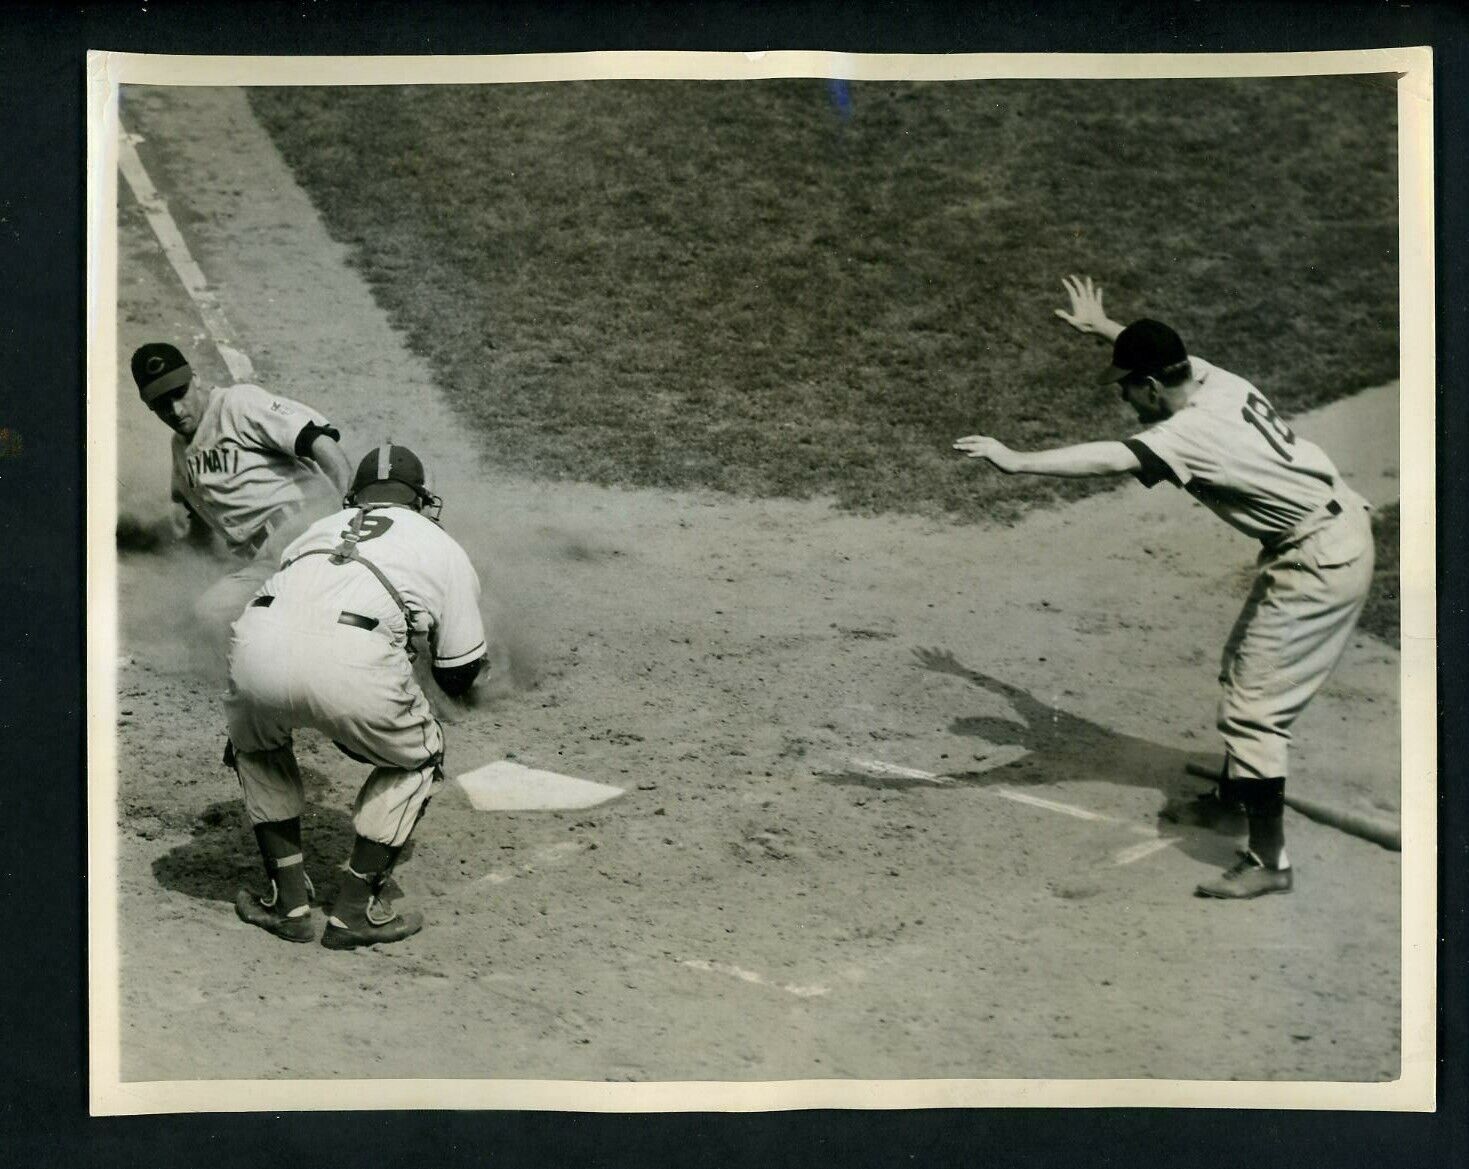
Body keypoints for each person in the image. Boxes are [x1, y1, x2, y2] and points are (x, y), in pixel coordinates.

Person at [954, 275, 1375, 900]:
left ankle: (1269, 863)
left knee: (1253, 708)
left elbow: (1109, 458)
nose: (1126, 400)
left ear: (1152, 387)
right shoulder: (1212, 380)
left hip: (1319, 559)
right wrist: (1104, 329)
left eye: (1128, 389)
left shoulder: (1187, 435)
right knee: (1241, 672)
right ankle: (1236, 800)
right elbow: (1159, 352)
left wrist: (1016, 459)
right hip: (1328, 529)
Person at [223, 444, 488, 948]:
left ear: (356, 497)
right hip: (353, 663)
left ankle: (289, 904)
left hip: (255, 643)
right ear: (418, 500)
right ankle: (353, 913)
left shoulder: (316, 530)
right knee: (421, 758)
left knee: (254, 746)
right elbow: (459, 672)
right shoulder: (440, 545)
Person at [129, 342, 354, 640]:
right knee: (207, 614)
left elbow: (322, 446)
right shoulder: (179, 452)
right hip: (263, 561)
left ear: (195, 378)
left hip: (303, 530)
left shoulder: (237, 404)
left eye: (179, 393)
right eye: (161, 404)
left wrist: (347, 515)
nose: (175, 410)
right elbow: (198, 533)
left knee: (333, 613)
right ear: (149, 406)